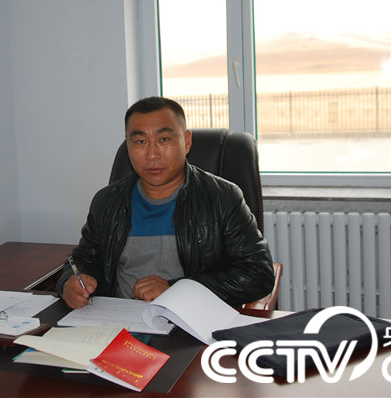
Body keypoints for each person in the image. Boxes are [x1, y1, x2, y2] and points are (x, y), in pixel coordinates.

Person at [57, 97, 274, 309]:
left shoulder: (222, 198)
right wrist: (70, 283)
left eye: (164, 140)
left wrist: (177, 289)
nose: (152, 154)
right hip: (121, 321)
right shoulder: (107, 202)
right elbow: (83, 259)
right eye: (140, 142)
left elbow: (258, 273)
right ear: (128, 144)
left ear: (186, 142)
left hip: (192, 320)